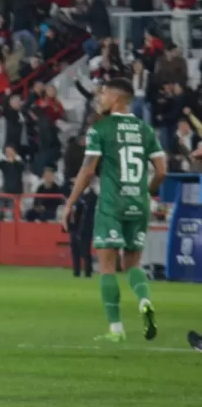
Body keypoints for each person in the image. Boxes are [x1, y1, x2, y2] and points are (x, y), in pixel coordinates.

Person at [62, 78, 167, 342]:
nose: (100, 98)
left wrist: (70, 203)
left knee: (107, 267)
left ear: (117, 99)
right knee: (132, 264)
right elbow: (161, 171)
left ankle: (116, 329)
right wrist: (147, 192)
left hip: (111, 203)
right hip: (138, 203)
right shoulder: (145, 130)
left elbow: (87, 171)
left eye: (105, 94)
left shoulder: (100, 129)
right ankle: (144, 300)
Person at [69, 179, 97, 278]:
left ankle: (88, 272)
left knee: (85, 251)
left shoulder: (92, 196)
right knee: (75, 250)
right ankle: (76, 272)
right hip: (75, 227)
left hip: (85, 228)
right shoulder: (78, 196)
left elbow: (89, 214)